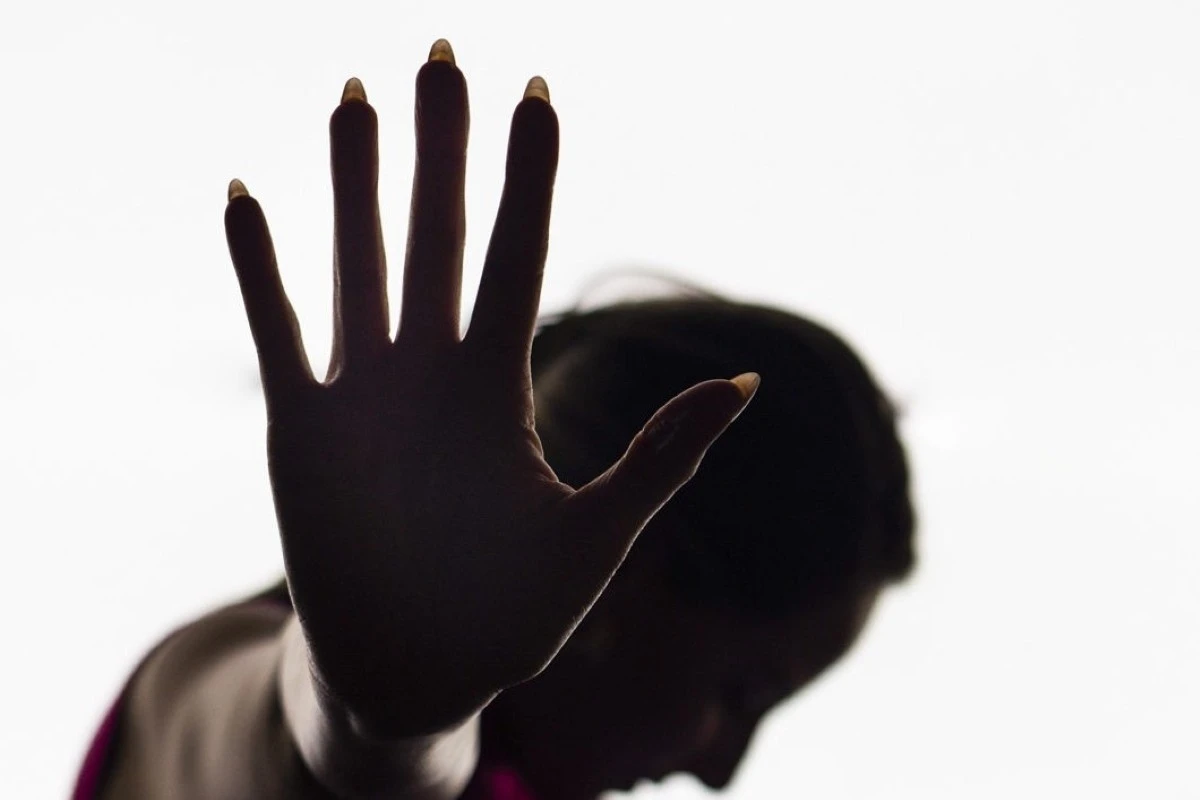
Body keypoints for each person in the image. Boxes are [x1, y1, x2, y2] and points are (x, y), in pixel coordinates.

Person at [74, 39, 915, 800]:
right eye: (740, 693)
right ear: (632, 569)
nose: (721, 771)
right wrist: (374, 725)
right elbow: (248, 741)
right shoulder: (219, 685)